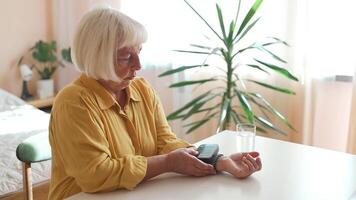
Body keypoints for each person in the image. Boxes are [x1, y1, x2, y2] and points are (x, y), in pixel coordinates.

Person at [48, 7, 262, 199]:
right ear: (97, 58)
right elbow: (96, 175)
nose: (138, 65)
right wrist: (168, 163)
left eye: (139, 52)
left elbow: (165, 142)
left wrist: (219, 161)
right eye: (126, 57)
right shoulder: (73, 102)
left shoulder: (142, 89)